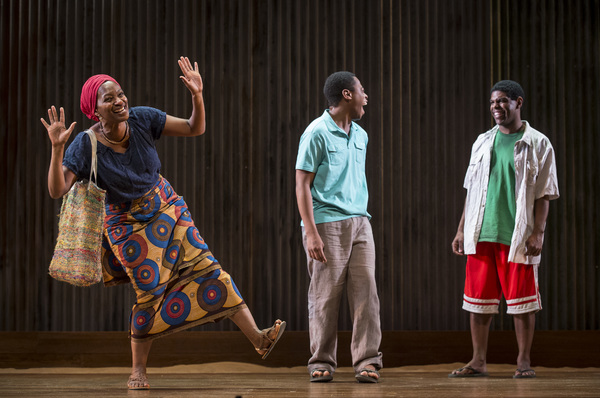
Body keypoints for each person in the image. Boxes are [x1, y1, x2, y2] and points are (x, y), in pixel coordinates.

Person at [41, 57, 285, 390]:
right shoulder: (86, 144)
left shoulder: (142, 118)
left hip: (166, 207)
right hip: (126, 224)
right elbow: (57, 189)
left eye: (120, 94)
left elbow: (193, 127)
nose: (120, 101)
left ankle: (258, 337)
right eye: (109, 98)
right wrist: (57, 149)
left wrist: (197, 96)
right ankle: (138, 370)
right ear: (94, 110)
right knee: (150, 290)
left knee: (208, 267)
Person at [450, 80, 559, 379]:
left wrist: (538, 232)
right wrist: (461, 230)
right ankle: (478, 361)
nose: (496, 107)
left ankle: (523, 361)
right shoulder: (483, 141)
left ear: (518, 103)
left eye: (502, 101)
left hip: (517, 236)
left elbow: (545, 193)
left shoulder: (538, 142)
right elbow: (471, 191)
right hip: (481, 233)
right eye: (492, 102)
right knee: (478, 302)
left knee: (523, 304)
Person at [295, 71, 383, 383]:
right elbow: (302, 184)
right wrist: (311, 231)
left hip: (361, 222)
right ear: (347, 95)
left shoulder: (361, 135)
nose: (365, 95)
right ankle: (321, 361)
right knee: (325, 295)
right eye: (362, 89)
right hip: (326, 223)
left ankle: (367, 361)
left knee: (366, 293)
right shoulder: (316, 132)